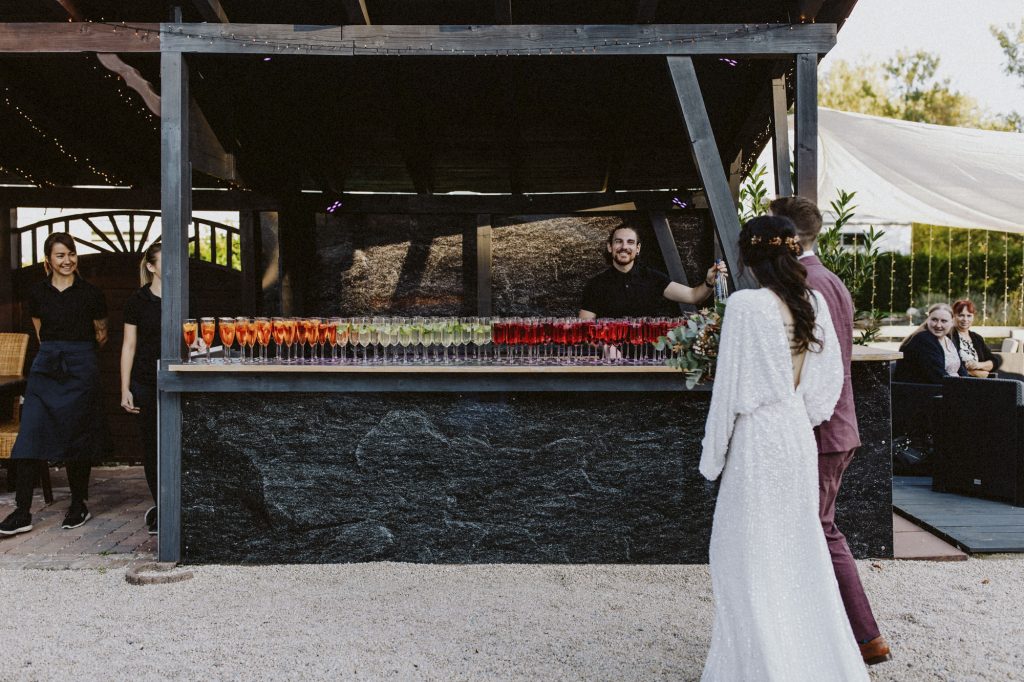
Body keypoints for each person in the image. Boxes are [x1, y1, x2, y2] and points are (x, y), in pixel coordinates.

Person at [699, 215, 868, 681]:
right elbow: (830, 379)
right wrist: (799, 413)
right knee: (797, 548)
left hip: (757, 437)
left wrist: (712, 456)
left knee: (743, 551)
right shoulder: (811, 300)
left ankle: (766, 666)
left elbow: (729, 391)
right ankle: (810, 659)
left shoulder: (746, 306)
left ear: (750, 257)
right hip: (795, 432)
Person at [770, 196, 890, 664]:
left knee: (821, 529)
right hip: (838, 424)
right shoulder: (830, 279)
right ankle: (822, 628)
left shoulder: (803, 283)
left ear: (790, 238)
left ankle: (867, 637)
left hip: (821, 427)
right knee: (812, 529)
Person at [0, 233, 108, 536]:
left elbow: (101, 335)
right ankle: (22, 511)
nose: (67, 260)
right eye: (60, 255)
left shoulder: (91, 293)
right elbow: (40, 333)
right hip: (46, 368)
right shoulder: (37, 293)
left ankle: (78, 505)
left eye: (71, 253)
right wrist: (55, 355)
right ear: (49, 260)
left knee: (77, 436)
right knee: (30, 434)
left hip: (80, 367)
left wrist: (75, 356)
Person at [578, 226, 726, 319]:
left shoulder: (653, 278)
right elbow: (584, 328)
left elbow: (693, 296)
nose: (624, 246)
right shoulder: (595, 285)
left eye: (630, 242)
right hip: (609, 361)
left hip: (649, 357)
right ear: (610, 247)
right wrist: (605, 347)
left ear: (638, 249)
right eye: (618, 241)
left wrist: (709, 282)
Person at [120, 242, 162, 535]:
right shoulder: (137, 300)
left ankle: (178, 505)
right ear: (151, 266)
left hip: (177, 381)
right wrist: (124, 388)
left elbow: (198, 339)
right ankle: (161, 506)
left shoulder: (185, 296)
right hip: (145, 381)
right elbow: (129, 346)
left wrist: (200, 344)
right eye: (165, 260)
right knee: (151, 447)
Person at [894, 303, 968, 384]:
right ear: (928, 320)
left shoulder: (949, 338)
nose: (938, 325)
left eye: (944, 321)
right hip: (924, 391)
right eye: (934, 320)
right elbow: (937, 376)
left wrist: (969, 383)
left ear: (952, 322)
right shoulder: (922, 340)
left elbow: (961, 368)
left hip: (948, 387)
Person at [951, 299, 1000, 378]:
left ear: (973, 317)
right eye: (961, 315)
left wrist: (978, 365)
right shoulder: (949, 336)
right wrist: (972, 373)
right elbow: (949, 364)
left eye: (969, 315)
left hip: (980, 382)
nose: (965, 319)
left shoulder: (977, 338)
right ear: (954, 316)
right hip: (960, 382)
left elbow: (994, 362)